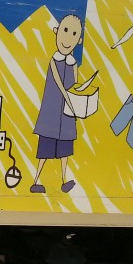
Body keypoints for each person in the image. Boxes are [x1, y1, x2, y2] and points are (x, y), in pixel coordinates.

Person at [30, 15, 82, 194]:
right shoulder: (54, 60)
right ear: (57, 32)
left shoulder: (73, 63)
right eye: (65, 30)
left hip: (66, 115)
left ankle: (64, 180)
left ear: (78, 40)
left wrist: (80, 95)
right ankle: (36, 181)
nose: (68, 38)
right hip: (51, 114)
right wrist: (69, 98)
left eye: (74, 34)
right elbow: (60, 84)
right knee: (45, 149)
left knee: (64, 150)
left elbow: (75, 85)